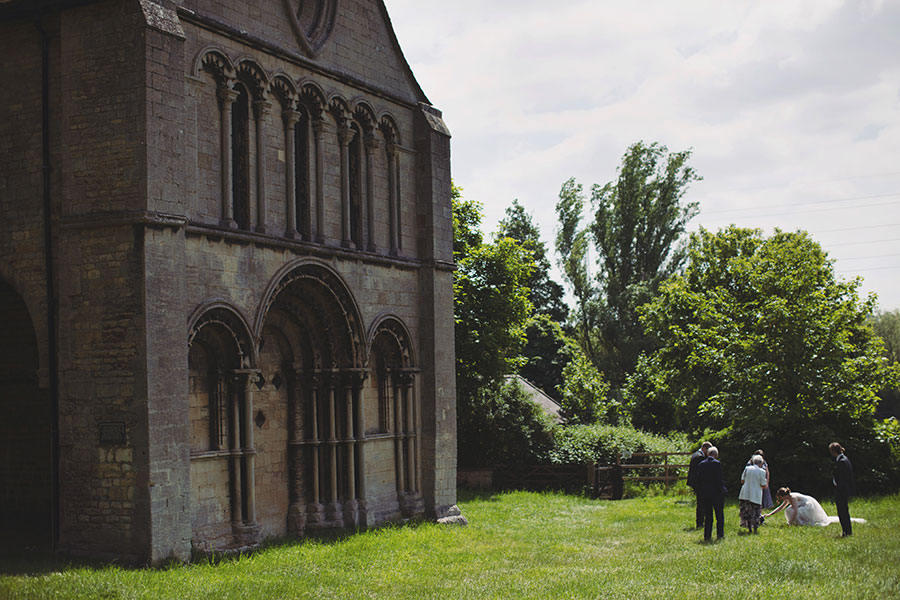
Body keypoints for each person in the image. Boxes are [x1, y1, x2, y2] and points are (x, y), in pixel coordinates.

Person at [762, 487, 866, 527]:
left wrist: (789, 523)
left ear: (783, 495)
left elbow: (795, 511)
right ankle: (797, 523)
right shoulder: (787, 498)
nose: (780, 499)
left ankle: (800, 524)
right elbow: (781, 508)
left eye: (780, 497)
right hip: (804, 504)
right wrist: (770, 514)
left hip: (809, 505)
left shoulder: (792, 497)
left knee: (791, 510)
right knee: (789, 510)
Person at [698, 446, 726, 542]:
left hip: (705, 493)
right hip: (716, 493)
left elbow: (699, 479)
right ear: (716, 455)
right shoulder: (717, 464)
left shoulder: (701, 464)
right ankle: (720, 534)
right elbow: (719, 479)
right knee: (719, 515)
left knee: (708, 516)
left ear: (707, 454)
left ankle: (707, 536)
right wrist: (722, 490)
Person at [830, 442, 855, 537]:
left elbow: (843, 479)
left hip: (842, 490)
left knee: (842, 511)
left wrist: (838, 490)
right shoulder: (844, 459)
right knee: (842, 511)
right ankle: (846, 530)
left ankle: (847, 531)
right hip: (842, 489)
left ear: (833, 451)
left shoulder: (842, 461)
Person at [738, 455, 768, 533]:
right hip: (756, 494)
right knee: (755, 512)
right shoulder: (762, 471)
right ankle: (755, 528)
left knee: (747, 511)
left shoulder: (747, 469)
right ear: (761, 463)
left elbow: (742, 480)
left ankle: (749, 527)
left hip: (745, 493)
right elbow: (763, 484)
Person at [687, 441, 712, 528]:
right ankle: (700, 522)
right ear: (704, 448)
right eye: (708, 451)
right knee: (701, 503)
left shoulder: (695, 454)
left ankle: (701, 521)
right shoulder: (700, 457)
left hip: (694, 482)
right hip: (698, 483)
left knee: (701, 502)